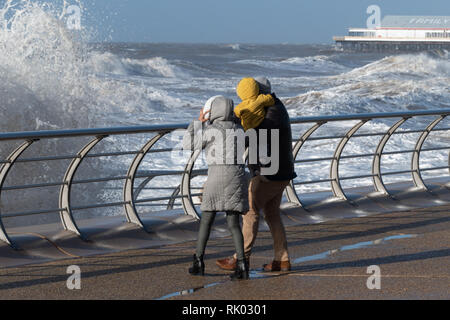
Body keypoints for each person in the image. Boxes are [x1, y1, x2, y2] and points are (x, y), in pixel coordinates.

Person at [216, 77, 297, 272]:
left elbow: (256, 135)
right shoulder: (274, 107)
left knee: (250, 212)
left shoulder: (271, 113)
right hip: (281, 170)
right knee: (272, 214)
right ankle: (282, 260)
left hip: (270, 172)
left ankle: (240, 258)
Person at [183, 95, 250, 280]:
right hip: (237, 177)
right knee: (234, 224)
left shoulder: (212, 130)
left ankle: (198, 262)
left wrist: (198, 122)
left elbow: (188, 145)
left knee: (207, 220)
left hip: (216, 177)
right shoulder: (239, 129)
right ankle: (243, 265)